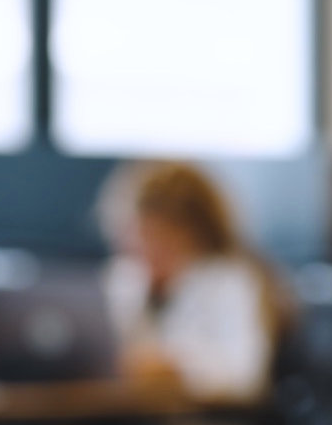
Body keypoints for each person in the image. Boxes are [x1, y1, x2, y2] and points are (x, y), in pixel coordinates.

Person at [100, 161, 295, 403]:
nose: (144, 247)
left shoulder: (229, 281)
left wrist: (174, 367)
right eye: (138, 235)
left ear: (193, 233)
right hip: (135, 424)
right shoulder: (126, 280)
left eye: (159, 236)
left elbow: (245, 375)